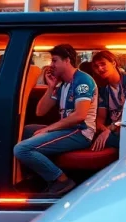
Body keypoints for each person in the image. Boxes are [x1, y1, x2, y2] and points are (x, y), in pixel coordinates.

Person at [14, 44, 98, 196]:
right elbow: (40, 111)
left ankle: (61, 181)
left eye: (54, 61)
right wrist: (51, 87)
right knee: (26, 130)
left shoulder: (82, 81)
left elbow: (80, 115)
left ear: (67, 60)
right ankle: (35, 176)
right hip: (67, 129)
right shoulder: (63, 84)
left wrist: (48, 128)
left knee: (21, 149)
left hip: (80, 131)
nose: (51, 65)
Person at [90, 50, 126, 151]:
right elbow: (101, 117)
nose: (100, 68)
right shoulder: (103, 89)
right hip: (113, 128)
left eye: (103, 64)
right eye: (96, 66)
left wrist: (109, 130)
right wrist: (102, 128)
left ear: (113, 63)